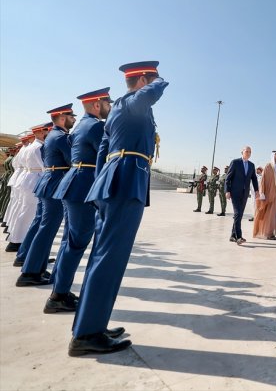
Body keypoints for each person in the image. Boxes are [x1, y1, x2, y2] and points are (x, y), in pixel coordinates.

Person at [69, 61, 168, 356]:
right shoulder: (130, 103)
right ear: (140, 81)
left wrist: (100, 188)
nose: (154, 81)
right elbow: (155, 91)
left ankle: (90, 325)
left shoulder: (119, 111)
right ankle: (87, 334)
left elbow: (101, 153)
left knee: (104, 255)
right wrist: (159, 78)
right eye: (149, 77)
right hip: (126, 181)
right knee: (110, 257)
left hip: (114, 182)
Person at [45, 88, 111, 313]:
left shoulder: (83, 125)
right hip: (81, 187)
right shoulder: (96, 126)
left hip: (74, 185)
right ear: (97, 105)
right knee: (76, 243)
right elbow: (108, 153)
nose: (109, 107)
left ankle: (59, 289)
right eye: (107, 103)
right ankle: (58, 296)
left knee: (70, 242)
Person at [17, 105, 76, 287]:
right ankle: (30, 272)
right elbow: (72, 159)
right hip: (55, 184)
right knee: (47, 229)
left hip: (48, 182)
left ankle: (35, 267)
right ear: (61, 118)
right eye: (70, 116)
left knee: (44, 227)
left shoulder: (52, 136)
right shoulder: (60, 137)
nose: (74, 119)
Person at [6, 125, 48, 253]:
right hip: (33, 180)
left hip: (28, 179)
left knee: (24, 211)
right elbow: (45, 167)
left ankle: (17, 240)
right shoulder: (38, 147)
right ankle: (17, 242)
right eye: (47, 131)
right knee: (28, 214)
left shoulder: (31, 147)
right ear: (40, 133)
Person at [224, 146, 259, 245]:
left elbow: (254, 179)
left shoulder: (252, 165)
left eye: (250, 152)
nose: (248, 153)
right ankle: (239, 237)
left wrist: (256, 190)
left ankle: (232, 236)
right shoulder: (235, 162)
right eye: (246, 151)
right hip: (234, 193)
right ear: (242, 152)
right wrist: (227, 191)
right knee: (237, 213)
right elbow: (228, 178)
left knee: (239, 215)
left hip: (245, 194)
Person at [252, 151, 276, 240]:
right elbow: (263, 180)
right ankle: (270, 233)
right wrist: (262, 193)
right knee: (270, 214)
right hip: (270, 194)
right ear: (273, 155)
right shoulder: (269, 166)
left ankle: (271, 229)